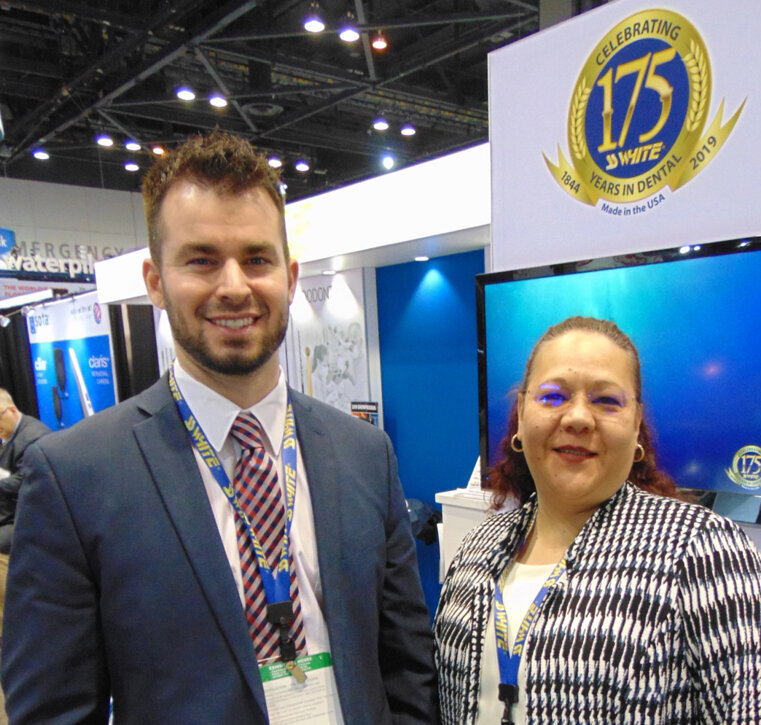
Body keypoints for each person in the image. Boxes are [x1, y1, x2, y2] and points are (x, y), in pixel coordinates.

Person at [2, 131, 437, 724]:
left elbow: (406, 664)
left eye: (257, 258)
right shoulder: (74, 477)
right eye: (201, 259)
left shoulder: (364, 453)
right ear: (155, 281)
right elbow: (52, 710)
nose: (234, 286)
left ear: (289, 275)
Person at [434, 316, 761, 724]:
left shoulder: (705, 550)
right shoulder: (477, 547)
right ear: (521, 414)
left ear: (636, 426)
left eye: (606, 400)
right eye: (553, 396)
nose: (577, 417)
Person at [0, 389, 51, 555]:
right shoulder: (8, 431)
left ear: (13, 410)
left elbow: (24, 480)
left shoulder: (34, 438)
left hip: (26, 517)